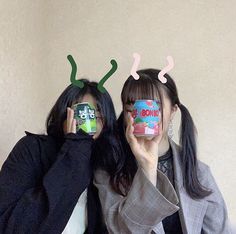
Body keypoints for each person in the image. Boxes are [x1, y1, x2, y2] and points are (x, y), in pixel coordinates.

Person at [93, 69, 231, 233]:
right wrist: (148, 169)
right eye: (132, 107)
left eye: (151, 107)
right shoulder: (108, 167)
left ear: (173, 110)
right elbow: (123, 230)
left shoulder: (199, 173)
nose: (142, 115)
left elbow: (221, 230)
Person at [0, 79, 113, 234]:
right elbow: (9, 226)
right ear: (64, 114)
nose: (86, 122)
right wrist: (75, 149)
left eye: (95, 116)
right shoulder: (32, 149)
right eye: (79, 113)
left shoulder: (102, 166)